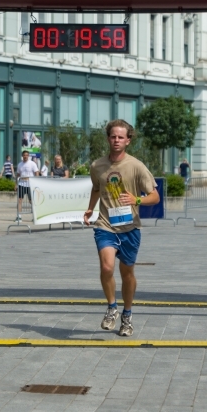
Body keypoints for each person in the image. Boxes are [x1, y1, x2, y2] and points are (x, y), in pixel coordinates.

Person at [83, 119, 160, 337]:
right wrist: (90, 209)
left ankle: (127, 315)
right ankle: (111, 308)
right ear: (108, 139)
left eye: (120, 137)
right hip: (105, 225)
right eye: (113, 136)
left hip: (130, 228)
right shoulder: (97, 166)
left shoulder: (136, 166)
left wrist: (137, 200)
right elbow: (96, 188)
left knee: (127, 273)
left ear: (128, 140)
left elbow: (155, 197)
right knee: (107, 267)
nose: (116, 140)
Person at [15, 151, 39, 221]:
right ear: (22, 156)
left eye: (26, 155)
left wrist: (36, 182)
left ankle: (34, 216)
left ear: (28, 156)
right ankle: (19, 216)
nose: (25, 156)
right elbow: (18, 175)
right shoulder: (20, 164)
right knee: (19, 200)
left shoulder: (32, 164)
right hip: (21, 184)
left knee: (31, 201)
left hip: (30, 184)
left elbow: (36, 172)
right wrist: (16, 184)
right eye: (24, 155)